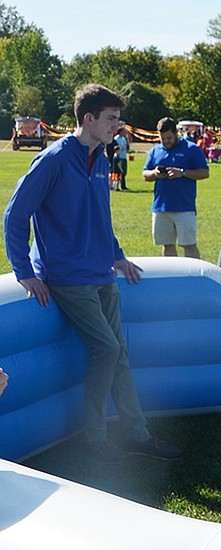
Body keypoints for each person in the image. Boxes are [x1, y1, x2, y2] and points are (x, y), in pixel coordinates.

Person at [3, 83, 181, 461]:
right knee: (107, 348)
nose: (118, 125)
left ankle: (138, 434)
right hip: (67, 277)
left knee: (120, 354)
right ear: (89, 118)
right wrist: (24, 271)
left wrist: (115, 254)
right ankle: (96, 439)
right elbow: (15, 215)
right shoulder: (52, 160)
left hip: (102, 273)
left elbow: (100, 216)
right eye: (112, 118)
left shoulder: (101, 156)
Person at [142, 116, 209, 258]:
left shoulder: (192, 149)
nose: (166, 141)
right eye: (163, 138)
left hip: (184, 206)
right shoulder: (155, 150)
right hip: (161, 207)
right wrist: (155, 173)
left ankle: (194, 277)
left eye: (169, 138)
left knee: (189, 245)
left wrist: (183, 173)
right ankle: (171, 276)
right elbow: (145, 174)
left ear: (176, 133)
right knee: (167, 244)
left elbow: (204, 173)